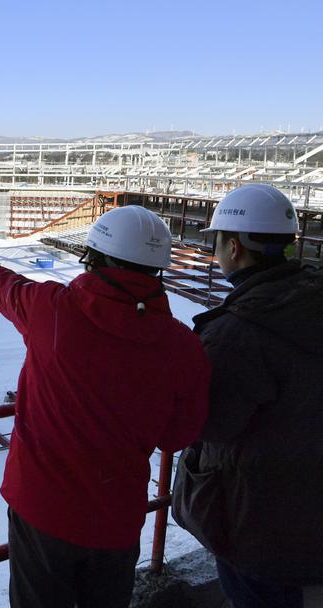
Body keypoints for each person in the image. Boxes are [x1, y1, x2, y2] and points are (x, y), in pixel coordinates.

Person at [0, 205, 209, 607]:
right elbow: (178, 435)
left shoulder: (52, 309)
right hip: (117, 516)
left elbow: (6, 286)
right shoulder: (183, 345)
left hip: (42, 509)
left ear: (96, 259)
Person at [172, 184, 323, 607]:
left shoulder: (238, 333)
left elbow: (207, 422)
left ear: (234, 247)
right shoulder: (310, 298)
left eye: (216, 242)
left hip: (260, 520)